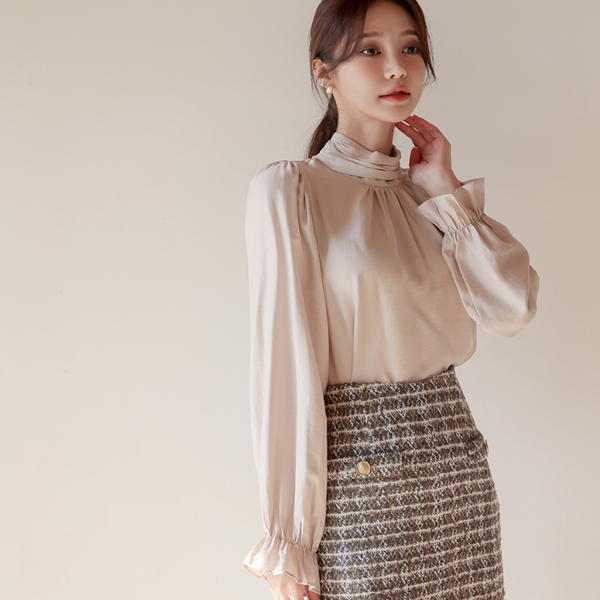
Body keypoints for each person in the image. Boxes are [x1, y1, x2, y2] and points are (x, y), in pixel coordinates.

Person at [241, 1, 540, 599]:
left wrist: (446, 191)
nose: (397, 67)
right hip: (358, 487)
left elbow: (512, 309)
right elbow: (284, 371)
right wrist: (289, 544)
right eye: (370, 50)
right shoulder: (292, 191)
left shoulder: (429, 199)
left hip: (458, 482)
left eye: (410, 48)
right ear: (324, 72)